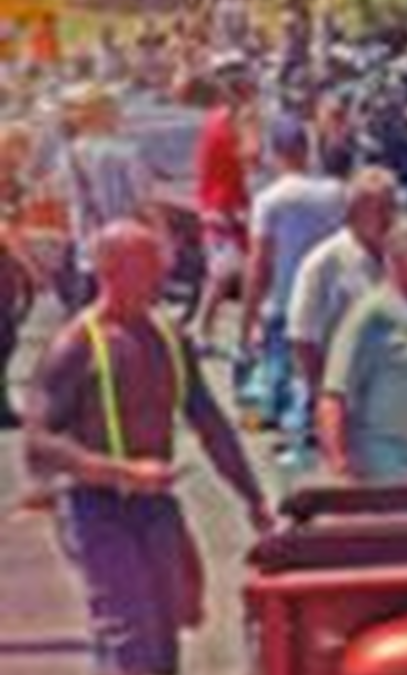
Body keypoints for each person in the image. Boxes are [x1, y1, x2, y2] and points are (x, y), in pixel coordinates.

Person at [22, 221, 272, 675]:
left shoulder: (169, 337)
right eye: (149, 267)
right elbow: (38, 445)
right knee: (130, 639)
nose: (162, 276)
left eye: (161, 264)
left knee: (165, 639)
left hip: (155, 506)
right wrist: (121, 471)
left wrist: (252, 497)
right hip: (96, 507)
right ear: (109, 271)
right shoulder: (75, 345)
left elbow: (210, 423)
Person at [317, 216, 407, 483]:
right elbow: (333, 396)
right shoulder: (369, 316)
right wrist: (340, 463)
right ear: (397, 259)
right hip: (386, 467)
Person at [240, 115, 346, 430]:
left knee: (283, 381)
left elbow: (259, 262)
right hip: (331, 301)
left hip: (285, 300)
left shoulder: (269, 200)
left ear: (274, 151)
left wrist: (249, 315)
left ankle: (295, 429)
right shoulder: (336, 192)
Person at [284, 166, 394, 467]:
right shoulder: (323, 263)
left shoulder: (397, 257)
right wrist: (327, 399)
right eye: (380, 209)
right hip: (342, 401)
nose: (389, 218)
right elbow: (302, 339)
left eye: (392, 207)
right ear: (354, 212)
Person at [54, 82, 157, 309]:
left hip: (88, 243)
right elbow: (145, 203)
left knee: (91, 308)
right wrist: (163, 238)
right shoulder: (127, 152)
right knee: (128, 308)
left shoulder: (67, 154)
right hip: (125, 243)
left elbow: (66, 199)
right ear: (107, 114)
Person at [192, 54, 260, 351]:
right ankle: (202, 328)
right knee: (224, 273)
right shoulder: (231, 120)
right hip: (225, 207)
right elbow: (250, 157)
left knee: (245, 270)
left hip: (231, 204)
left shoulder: (225, 117)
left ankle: (249, 328)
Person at [0, 123, 45, 428]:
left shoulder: (15, 181)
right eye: (22, 148)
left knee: (6, 337)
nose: (27, 155)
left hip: (7, 269)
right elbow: (5, 230)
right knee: (3, 337)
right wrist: (33, 268)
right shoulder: (5, 181)